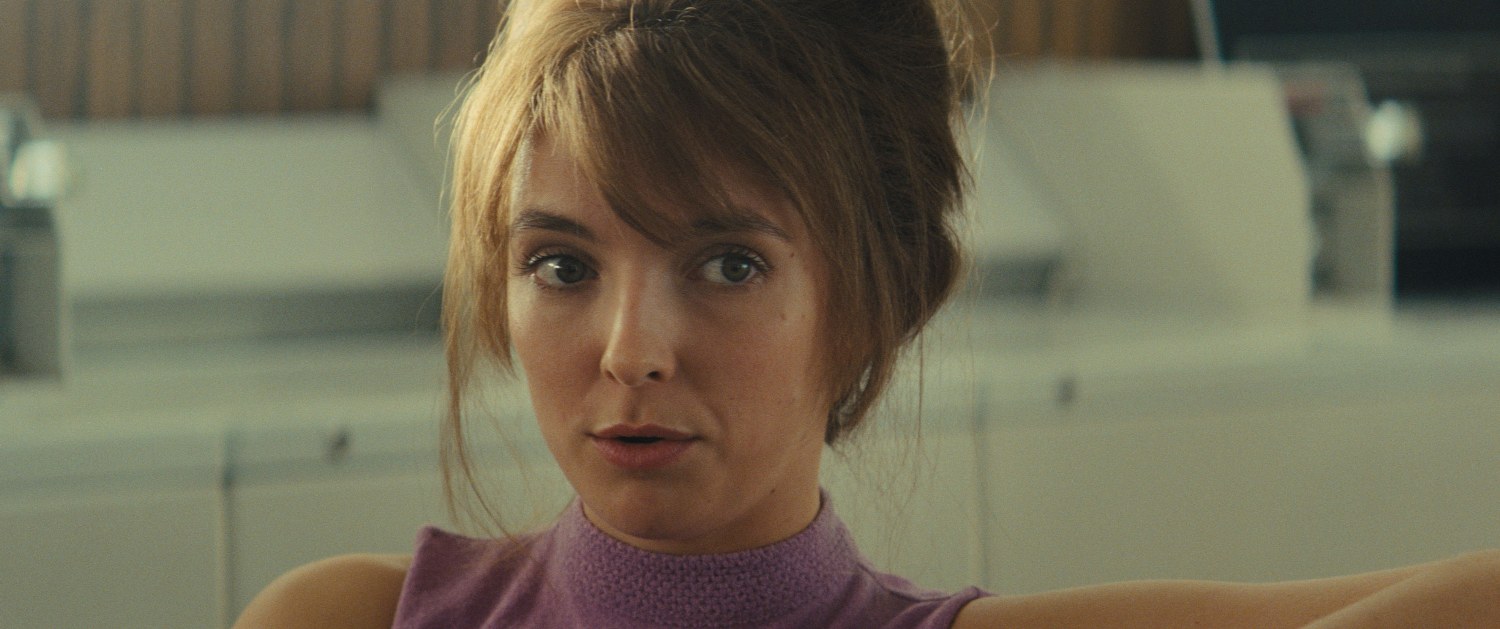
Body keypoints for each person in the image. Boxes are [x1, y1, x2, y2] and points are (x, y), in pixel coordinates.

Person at [235, 1, 1500, 627]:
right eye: (562, 266)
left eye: (727, 265)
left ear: (881, 295)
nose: (629, 350)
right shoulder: (347, 618)